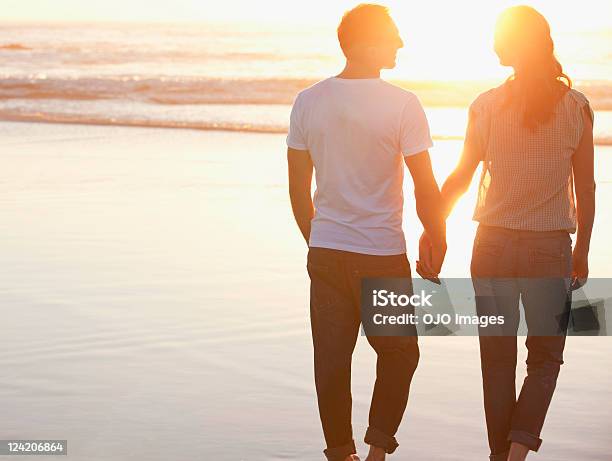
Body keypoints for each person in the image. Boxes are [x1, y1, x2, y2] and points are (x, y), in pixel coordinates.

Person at [421, 6, 595, 461]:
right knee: (545, 357)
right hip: (548, 248)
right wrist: (585, 250)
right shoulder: (576, 107)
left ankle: (501, 455)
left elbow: (459, 177)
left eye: (499, 36)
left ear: (514, 45)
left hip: (492, 247)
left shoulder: (486, 105)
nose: (494, 44)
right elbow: (587, 186)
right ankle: (516, 453)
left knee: (496, 363)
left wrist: (433, 231)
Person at [286, 4, 446, 461]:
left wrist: (317, 242)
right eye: (392, 35)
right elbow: (425, 185)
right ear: (364, 41)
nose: (400, 43)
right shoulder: (402, 103)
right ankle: (375, 453)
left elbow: (299, 190)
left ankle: (340, 452)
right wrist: (437, 236)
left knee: (332, 363)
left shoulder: (308, 100)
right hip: (380, 255)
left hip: (328, 252)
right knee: (399, 354)